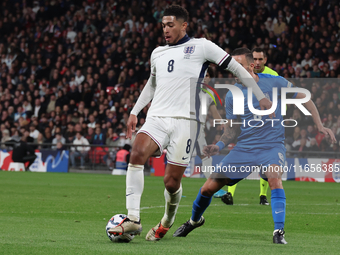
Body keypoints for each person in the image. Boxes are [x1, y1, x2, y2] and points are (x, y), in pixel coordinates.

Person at [108, 5, 273, 242]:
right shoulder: (157, 53)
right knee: (136, 152)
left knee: (171, 182)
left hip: (186, 122)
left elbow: (236, 67)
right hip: (157, 117)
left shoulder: (202, 46)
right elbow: (151, 84)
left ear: (184, 25)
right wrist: (135, 111)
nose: (165, 29)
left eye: (170, 25)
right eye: (163, 25)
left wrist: (260, 96)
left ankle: (167, 220)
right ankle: (133, 219)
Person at [172, 48, 336, 244]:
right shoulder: (233, 95)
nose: (233, 70)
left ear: (251, 66)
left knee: (274, 177)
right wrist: (220, 145)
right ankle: (194, 220)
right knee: (208, 189)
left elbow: (304, 97)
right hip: (244, 149)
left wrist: (319, 124)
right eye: (231, 66)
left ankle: (278, 231)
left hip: (272, 146)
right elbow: (233, 128)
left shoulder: (273, 81)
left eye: (238, 65)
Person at [225, 47, 279, 206]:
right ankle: (229, 194)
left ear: (265, 60)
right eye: (254, 59)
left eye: (260, 59)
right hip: (246, 122)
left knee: (266, 163)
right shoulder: (243, 74)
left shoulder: (272, 75)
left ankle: (263, 195)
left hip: (267, 124)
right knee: (236, 156)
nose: (256, 62)